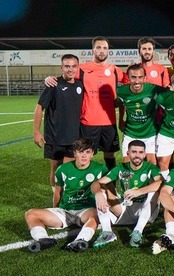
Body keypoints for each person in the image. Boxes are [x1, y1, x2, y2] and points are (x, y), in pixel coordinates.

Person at [44, 36, 128, 172]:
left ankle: (110, 188)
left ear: (108, 51)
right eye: (99, 47)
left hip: (109, 122)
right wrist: (48, 78)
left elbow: (132, 81)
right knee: (86, 156)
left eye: (105, 48)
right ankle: (88, 187)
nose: (102, 51)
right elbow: (65, 75)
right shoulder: (81, 69)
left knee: (110, 155)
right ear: (93, 50)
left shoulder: (114, 70)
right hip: (88, 122)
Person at [25, 138, 107, 253]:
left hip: (86, 210)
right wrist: (55, 209)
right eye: (80, 151)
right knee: (30, 214)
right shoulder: (62, 169)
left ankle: (80, 240)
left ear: (92, 154)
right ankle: (42, 239)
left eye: (87, 152)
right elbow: (58, 192)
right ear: (74, 153)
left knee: (96, 214)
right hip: (65, 211)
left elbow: (107, 191)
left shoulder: (100, 169)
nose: (84, 155)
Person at [91, 140, 162, 248]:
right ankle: (107, 232)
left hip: (144, 209)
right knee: (100, 191)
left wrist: (139, 192)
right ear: (128, 153)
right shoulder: (121, 168)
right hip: (125, 207)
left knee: (154, 191)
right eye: (134, 152)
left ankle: (137, 231)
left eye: (140, 152)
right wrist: (98, 194)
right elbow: (96, 183)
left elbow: (161, 183)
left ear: (144, 154)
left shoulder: (150, 168)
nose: (137, 155)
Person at [33, 54, 84, 199]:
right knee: (55, 169)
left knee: (67, 169)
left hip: (74, 137)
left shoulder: (80, 85)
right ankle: (55, 195)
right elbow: (39, 108)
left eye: (74, 66)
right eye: (67, 66)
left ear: (77, 67)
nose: (70, 69)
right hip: (54, 137)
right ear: (61, 67)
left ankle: (66, 197)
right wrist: (36, 132)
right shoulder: (54, 84)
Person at [116, 64, 170, 165]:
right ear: (128, 77)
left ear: (145, 77)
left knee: (152, 165)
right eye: (133, 77)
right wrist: (120, 121)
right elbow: (119, 103)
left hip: (150, 134)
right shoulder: (121, 91)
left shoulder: (154, 89)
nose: (137, 81)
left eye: (140, 77)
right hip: (130, 133)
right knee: (127, 166)